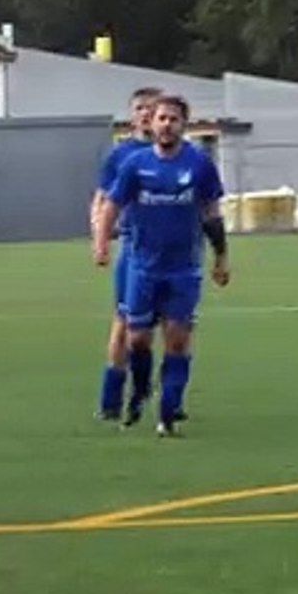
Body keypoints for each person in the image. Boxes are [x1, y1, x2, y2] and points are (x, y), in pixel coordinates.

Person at [93, 95, 230, 437]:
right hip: (142, 266)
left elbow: (212, 214)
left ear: (184, 125)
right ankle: (139, 392)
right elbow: (111, 205)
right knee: (137, 339)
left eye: (174, 119)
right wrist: (101, 242)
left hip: (184, 269)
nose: (167, 124)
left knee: (177, 340)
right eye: (161, 118)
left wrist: (222, 257)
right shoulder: (134, 164)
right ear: (151, 124)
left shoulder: (199, 164)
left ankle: (167, 415)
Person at [91, 87, 162, 422]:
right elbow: (102, 201)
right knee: (123, 323)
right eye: (140, 108)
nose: (147, 114)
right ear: (132, 115)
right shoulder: (121, 156)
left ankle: (160, 391)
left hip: (173, 253)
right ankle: (111, 399)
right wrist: (100, 240)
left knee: (171, 327)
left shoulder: (177, 153)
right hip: (135, 248)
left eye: (153, 108)